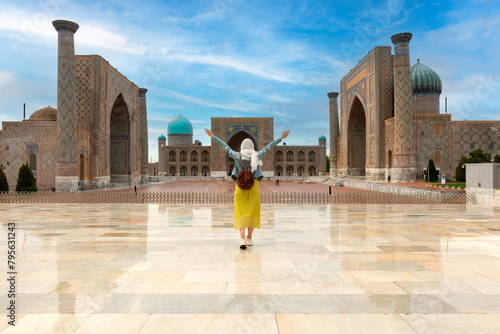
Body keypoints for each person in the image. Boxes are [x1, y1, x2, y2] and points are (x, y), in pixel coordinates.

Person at [205, 128, 290, 249]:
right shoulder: (256, 155)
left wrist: (213, 136)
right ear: (251, 146)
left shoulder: (237, 155)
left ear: (242, 146)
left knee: (241, 212)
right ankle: (249, 238)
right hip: (253, 186)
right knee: (251, 213)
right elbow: (268, 147)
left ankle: (242, 239)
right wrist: (281, 138)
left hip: (240, 187)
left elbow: (225, 147)